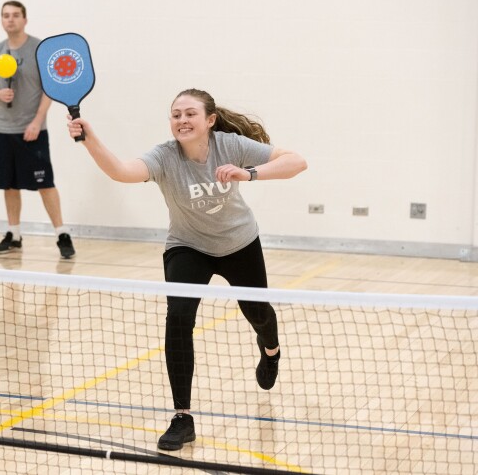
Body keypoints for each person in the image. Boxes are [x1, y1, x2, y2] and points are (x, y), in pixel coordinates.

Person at [66, 88, 307, 451]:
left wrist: (248, 173)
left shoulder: (231, 145)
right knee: (178, 318)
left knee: (258, 313)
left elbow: (297, 161)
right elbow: (121, 171)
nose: (182, 120)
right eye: (176, 114)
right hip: (187, 246)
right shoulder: (164, 156)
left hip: (239, 243)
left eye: (190, 113)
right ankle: (182, 416)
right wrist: (90, 139)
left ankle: (270, 350)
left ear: (209, 120)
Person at [0, 0, 75, 259]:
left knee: (45, 184)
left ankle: (62, 234)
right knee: (9, 185)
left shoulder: (38, 49)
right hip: (2, 129)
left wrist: (37, 121)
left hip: (32, 130)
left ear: (25, 19)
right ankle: (14, 235)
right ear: (2, 20)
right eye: (5, 15)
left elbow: (49, 89)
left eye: (15, 15)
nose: (10, 19)